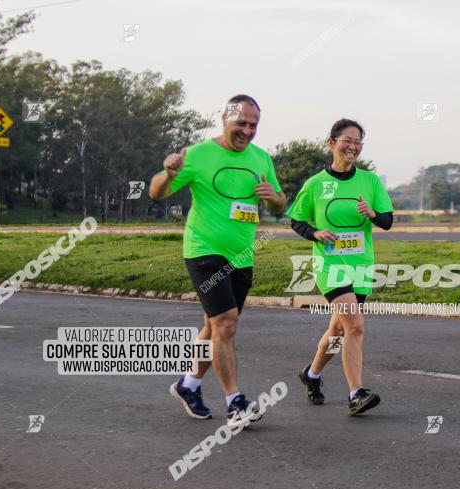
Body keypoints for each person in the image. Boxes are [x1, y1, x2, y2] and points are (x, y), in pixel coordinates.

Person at [148, 94, 286, 427]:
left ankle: (188, 385)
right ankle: (236, 403)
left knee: (213, 327)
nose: (248, 131)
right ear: (224, 118)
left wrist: (275, 199)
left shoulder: (261, 159)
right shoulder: (196, 155)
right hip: (203, 249)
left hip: (242, 254)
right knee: (225, 323)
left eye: (254, 125)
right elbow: (156, 192)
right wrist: (168, 174)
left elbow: (280, 206)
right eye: (241, 123)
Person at [287, 118, 393, 415]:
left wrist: (372, 213)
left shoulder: (370, 182)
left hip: (361, 265)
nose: (353, 146)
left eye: (358, 142)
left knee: (339, 331)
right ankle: (356, 393)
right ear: (331, 142)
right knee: (355, 326)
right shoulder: (315, 184)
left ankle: (311, 374)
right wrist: (315, 233)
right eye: (347, 140)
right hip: (329, 264)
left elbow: (387, 221)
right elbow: (297, 219)